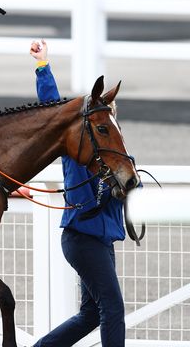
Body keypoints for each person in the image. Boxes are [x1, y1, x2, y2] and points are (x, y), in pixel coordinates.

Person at [29, 40, 127, 347]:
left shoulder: (120, 159)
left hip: (102, 240)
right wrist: (42, 65)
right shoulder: (76, 151)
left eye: (110, 115)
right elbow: (52, 109)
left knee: (91, 313)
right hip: (81, 238)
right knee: (112, 307)